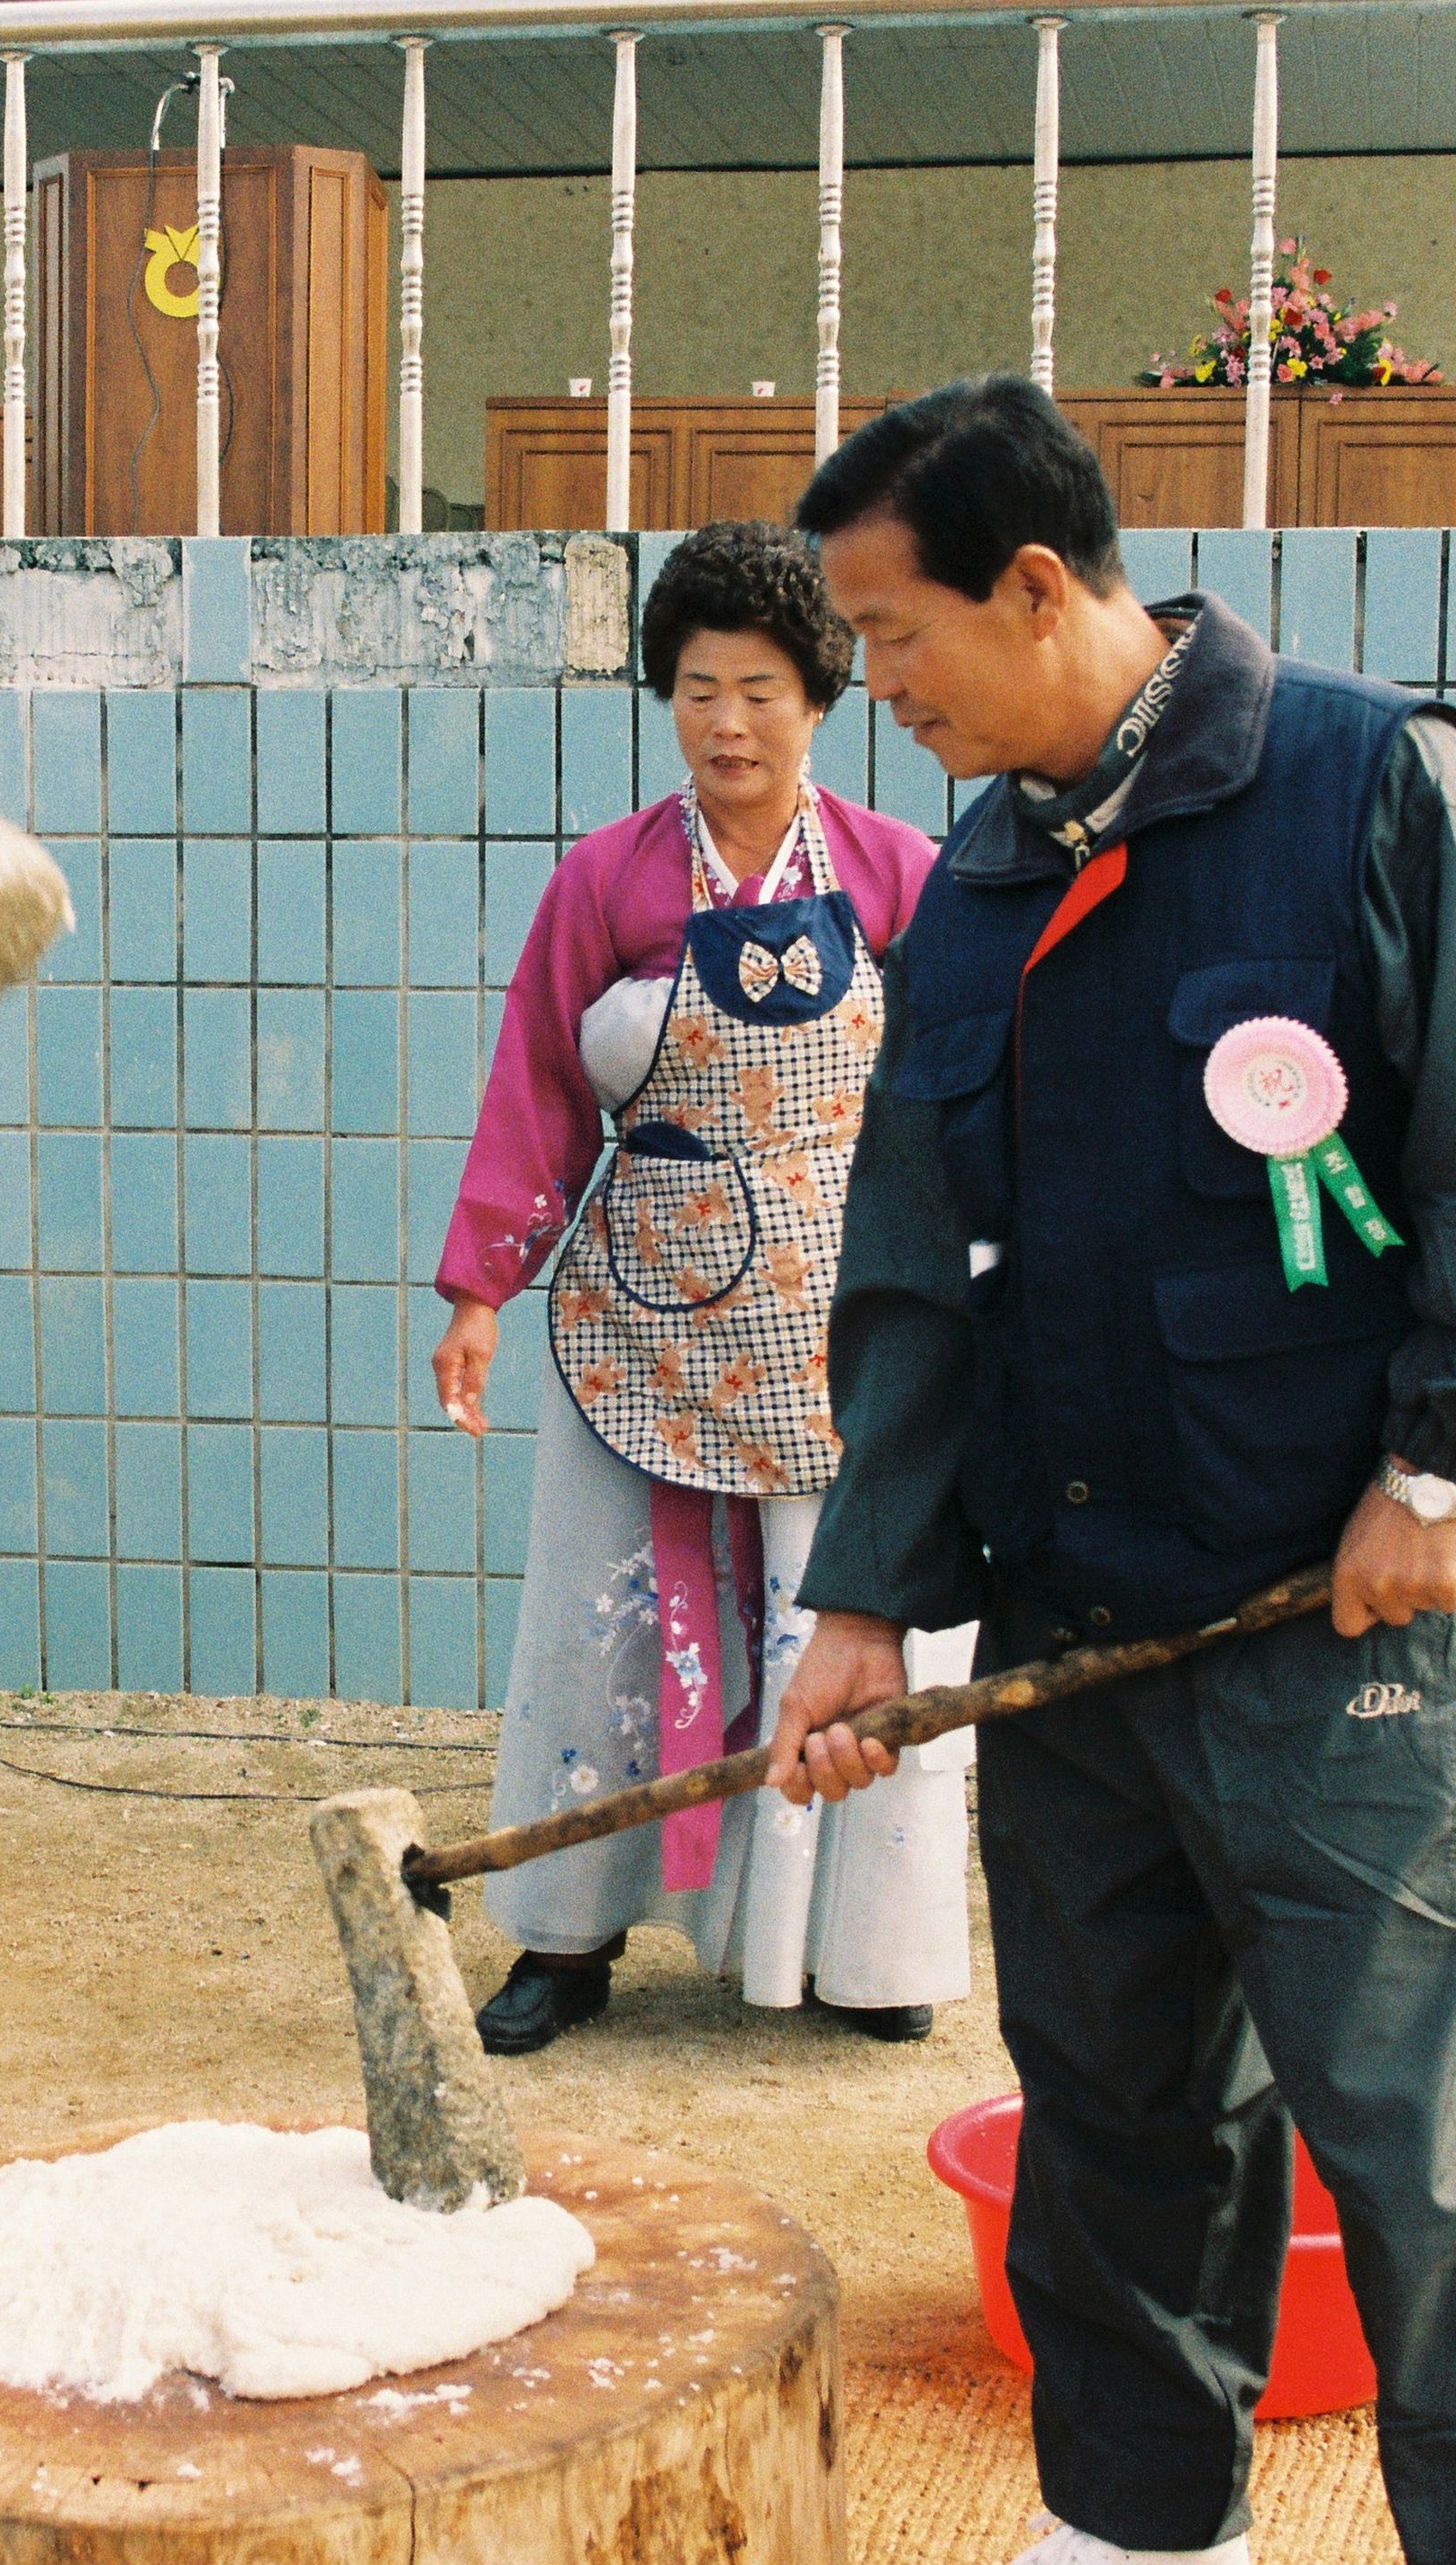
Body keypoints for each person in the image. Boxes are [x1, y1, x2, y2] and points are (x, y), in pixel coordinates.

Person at [765, 376, 1456, 2565]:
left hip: (1322, 1633)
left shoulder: (1372, 782)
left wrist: (1446, 1470)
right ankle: (1144, 2533)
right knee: (1113, 2130)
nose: (870, 691)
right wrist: (868, 1595)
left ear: (1042, 582)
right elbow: (914, 1277)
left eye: (897, 636)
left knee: (1415, 2167)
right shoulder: (976, 884)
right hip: (1079, 1643)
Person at [431, 519, 977, 2057]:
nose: (726, 723)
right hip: (640, 1316)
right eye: (694, 690)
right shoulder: (602, 880)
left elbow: (958, 1105)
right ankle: (565, 1934)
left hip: (840, 1322)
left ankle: (866, 1946)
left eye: (757, 690)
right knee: (594, 1623)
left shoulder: (902, 875)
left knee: (855, 1622)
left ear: (821, 697)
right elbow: (537, 1085)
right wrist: (480, 1287)